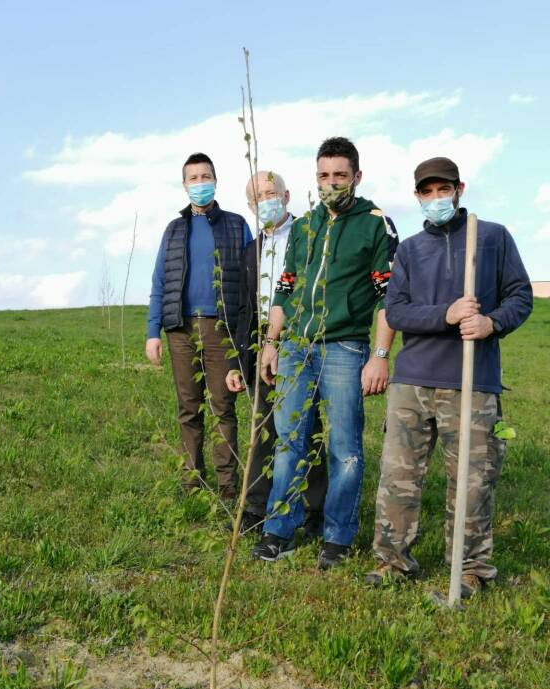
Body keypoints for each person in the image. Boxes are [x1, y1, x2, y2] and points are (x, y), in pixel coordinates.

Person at [367, 156, 533, 596]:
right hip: (413, 380)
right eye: (427, 191)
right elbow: (395, 310)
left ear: (460, 189)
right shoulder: (408, 250)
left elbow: (521, 296)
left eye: (444, 189)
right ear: (417, 196)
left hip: (472, 383)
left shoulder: (493, 238)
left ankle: (470, 570)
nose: (436, 197)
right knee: (398, 478)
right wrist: (447, 314)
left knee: (473, 480)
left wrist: (491, 323)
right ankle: (392, 562)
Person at [252, 137, 399, 568]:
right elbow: (285, 287)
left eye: (339, 175)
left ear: (356, 176)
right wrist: (271, 343)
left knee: (344, 447)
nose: (330, 183)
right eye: (323, 175)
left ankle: (337, 536)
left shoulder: (375, 223)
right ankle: (279, 528)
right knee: (288, 442)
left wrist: (379, 355)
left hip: (345, 347)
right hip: (297, 346)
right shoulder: (305, 226)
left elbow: (387, 296)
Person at [226, 171, 328, 534]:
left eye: (272, 193)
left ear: (286, 197)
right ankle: (257, 509)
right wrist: (240, 361)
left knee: (305, 424)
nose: (266, 200)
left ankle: (315, 509)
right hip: (261, 348)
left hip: (300, 342)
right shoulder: (249, 251)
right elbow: (241, 309)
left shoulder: (309, 236)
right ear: (251, 206)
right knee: (264, 428)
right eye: (258, 197)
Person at [146, 152, 252, 498]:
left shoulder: (236, 225)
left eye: (205, 176)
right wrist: (153, 332)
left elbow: (251, 281)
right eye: (193, 178)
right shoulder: (175, 229)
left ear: (216, 181)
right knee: (188, 407)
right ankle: (192, 481)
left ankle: (227, 487)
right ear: (184, 185)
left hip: (221, 328)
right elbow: (160, 281)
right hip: (180, 329)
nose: (199, 183)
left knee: (223, 407)